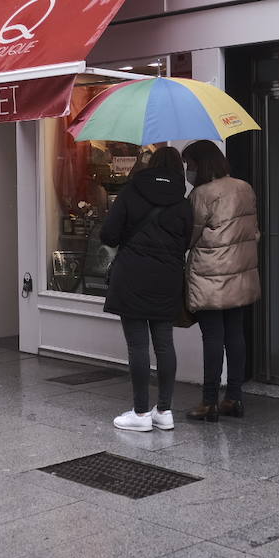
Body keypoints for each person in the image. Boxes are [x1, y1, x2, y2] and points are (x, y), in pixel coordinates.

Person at [100, 146, 193, 432]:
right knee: (164, 344)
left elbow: (108, 234)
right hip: (167, 279)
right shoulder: (183, 202)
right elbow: (186, 242)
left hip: (132, 277)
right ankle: (164, 411)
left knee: (137, 345)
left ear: (151, 164)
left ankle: (140, 413)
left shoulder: (130, 191)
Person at [181, 140, 260, 421]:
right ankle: (234, 398)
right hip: (240, 272)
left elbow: (189, 236)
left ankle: (209, 401)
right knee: (235, 335)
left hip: (210, 275)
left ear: (200, 164)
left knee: (212, 337)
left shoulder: (201, 194)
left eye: (189, 164)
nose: (188, 170)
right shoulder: (244, 188)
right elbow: (253, 232)